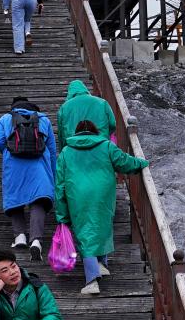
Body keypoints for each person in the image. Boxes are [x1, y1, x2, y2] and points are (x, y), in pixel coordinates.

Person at [53, 119, 147, 294]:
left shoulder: (66, 152)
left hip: (77, 195)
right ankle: (102, 264)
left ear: (76, 133)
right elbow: (124, 162)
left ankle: (92, 281)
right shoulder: (106, 146)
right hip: (103, 193)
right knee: (101, 226)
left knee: (84, 233)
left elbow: (59, 184)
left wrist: (61, 212)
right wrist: (142, 163)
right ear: (96, 132)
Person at [0, 94, 57, 259]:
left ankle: (20, 235)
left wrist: (9, 151)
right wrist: (54, 173)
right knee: (38, 200)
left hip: (14, 166)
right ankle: (36, 241)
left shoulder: (6, 119)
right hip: (39, 167)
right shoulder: (43, 119)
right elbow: (51, 148)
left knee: (15, 198)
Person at [55, 77, 115, 149]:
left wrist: (63, 149)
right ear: (85, 89)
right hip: (100, 144)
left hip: (74, 147)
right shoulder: (102, 103)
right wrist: (105, 135)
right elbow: (112, 124)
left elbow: (61, 132)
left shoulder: (64, 107)